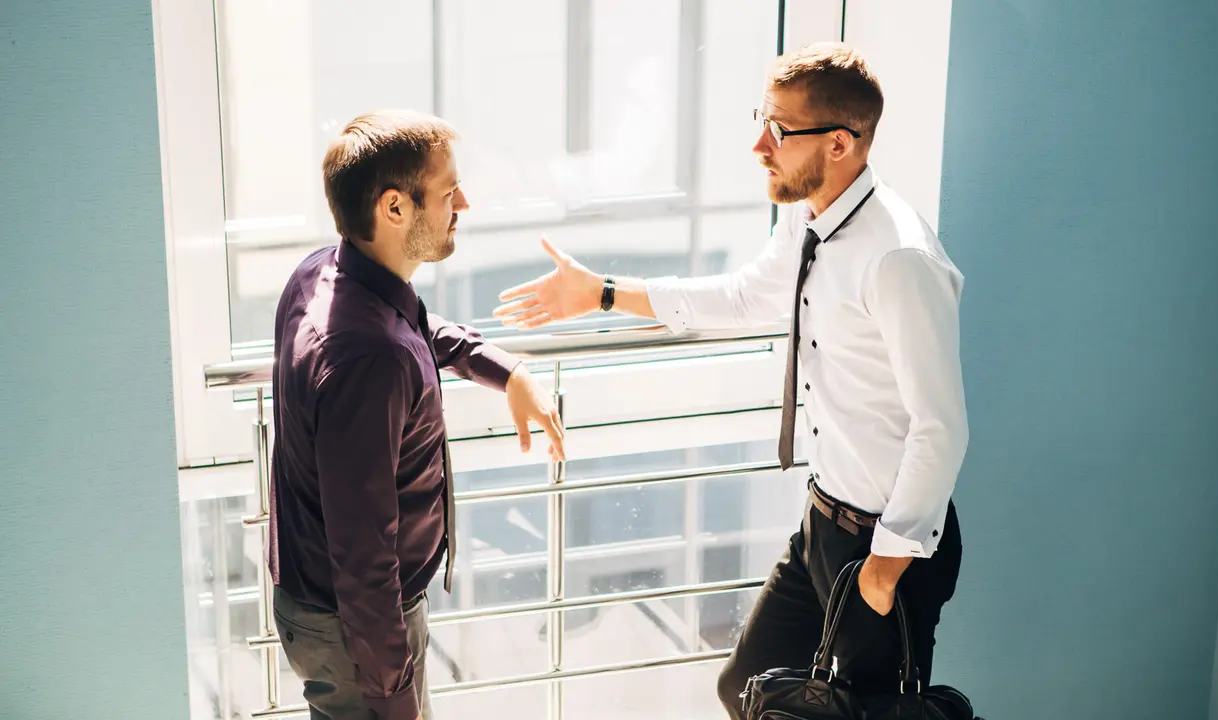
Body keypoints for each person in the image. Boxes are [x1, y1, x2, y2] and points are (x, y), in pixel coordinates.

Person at [493, 42, 966, 716]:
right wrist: (600, 292)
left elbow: (941, 429)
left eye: (778, 130)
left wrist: (886, 570)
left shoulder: (898, 260)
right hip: (824, 521)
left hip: (885, 545)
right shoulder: (809, 220)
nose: (758, 146)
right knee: (744, 687)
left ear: (838, 144)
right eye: (762, 120)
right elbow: (745, 297)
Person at [269, 109, 566, 720]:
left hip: (332, 611)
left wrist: (505, 369)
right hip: (357, 633)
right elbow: (362, 553)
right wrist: (396, 698)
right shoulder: (370, 358)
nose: (464, 201)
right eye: (447, 189)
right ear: (395, 208)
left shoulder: (324, 273)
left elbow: (420, 330)